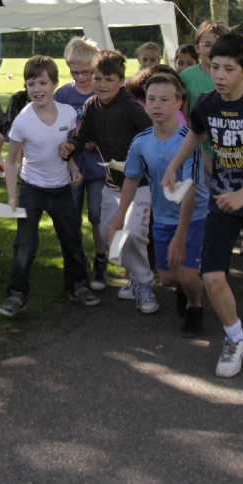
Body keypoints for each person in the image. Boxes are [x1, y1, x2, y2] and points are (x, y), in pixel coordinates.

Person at [163, 33, 243, 378]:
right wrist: (174, 164)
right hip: (222, 201)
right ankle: (236, 337)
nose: (219, 75)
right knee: (211, 274)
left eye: (228, 69)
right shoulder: (207, 103)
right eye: (215, 67)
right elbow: (197, 132)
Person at [0, 56, 101, 317]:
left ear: (54, 84)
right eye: (31, 84)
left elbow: (66, 149)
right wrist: (12, 198)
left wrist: (74, 168)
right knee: (25, 244)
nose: (37, 89)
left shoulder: (68, 113)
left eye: (43, 83)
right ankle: (16, 296)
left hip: (62, 189)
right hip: (32, 189)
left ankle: (77, 286)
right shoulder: (22, 121)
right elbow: (10, 162)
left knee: (72, 239)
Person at [108, 73, 208, 335]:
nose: (156, 105)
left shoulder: (188, 141)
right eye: (151, 99)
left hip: (195, 216)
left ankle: (195, 307)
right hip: (162, 216)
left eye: (164, 99)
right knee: (167, 277)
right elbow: (131, 179)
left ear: (178, 103)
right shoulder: (141, 142)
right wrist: (118, 220)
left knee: (186, 275)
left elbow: (190, 190)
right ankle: (184, 289)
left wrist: (181, 236)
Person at [60, 50, 156, 312]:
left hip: (140, 185)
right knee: (107, 235)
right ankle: (135, 276)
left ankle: (144, 284)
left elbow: (152, 137)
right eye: (98, 78)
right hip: (111, 185)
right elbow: (81, 136)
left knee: (133, 235)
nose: (102, 85)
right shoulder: (92, 106)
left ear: (121, 81)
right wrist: (71, 146)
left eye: (109, 79)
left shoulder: (131, 108)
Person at [54, 36, 109, 289]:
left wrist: (96, 140)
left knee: (97, 214)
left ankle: (101, 258)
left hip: (98, 166)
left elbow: (113, 127)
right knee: (71, 217)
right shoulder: (63, 94)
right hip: (71, 165)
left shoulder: (103, 92)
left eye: (86, 72)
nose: (81, 77)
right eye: (74, 72)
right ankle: (77, 260)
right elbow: (54, 128)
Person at [179, 20, 230, 114]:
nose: (213, 50)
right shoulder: (186, 76)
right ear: (197, 47)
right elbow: (179, 113)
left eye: (218, 45)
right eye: (207, 45)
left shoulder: (232, 76)